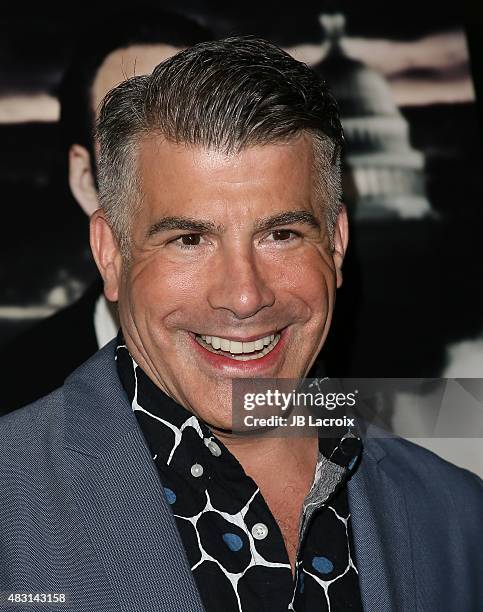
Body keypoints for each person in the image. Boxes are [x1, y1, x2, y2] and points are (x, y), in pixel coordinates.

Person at [1, 37, 482, 611]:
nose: (245, 295)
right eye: (189, 239)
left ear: (336, 244)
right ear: (110, 254)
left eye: (281, 234)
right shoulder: (12, 499)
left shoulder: (456, 514)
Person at [0, 9, 212, 415]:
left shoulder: (323, 390)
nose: (176, 172)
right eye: (126, 138)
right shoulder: (14, 397)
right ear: (85, 179)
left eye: (203, 130)